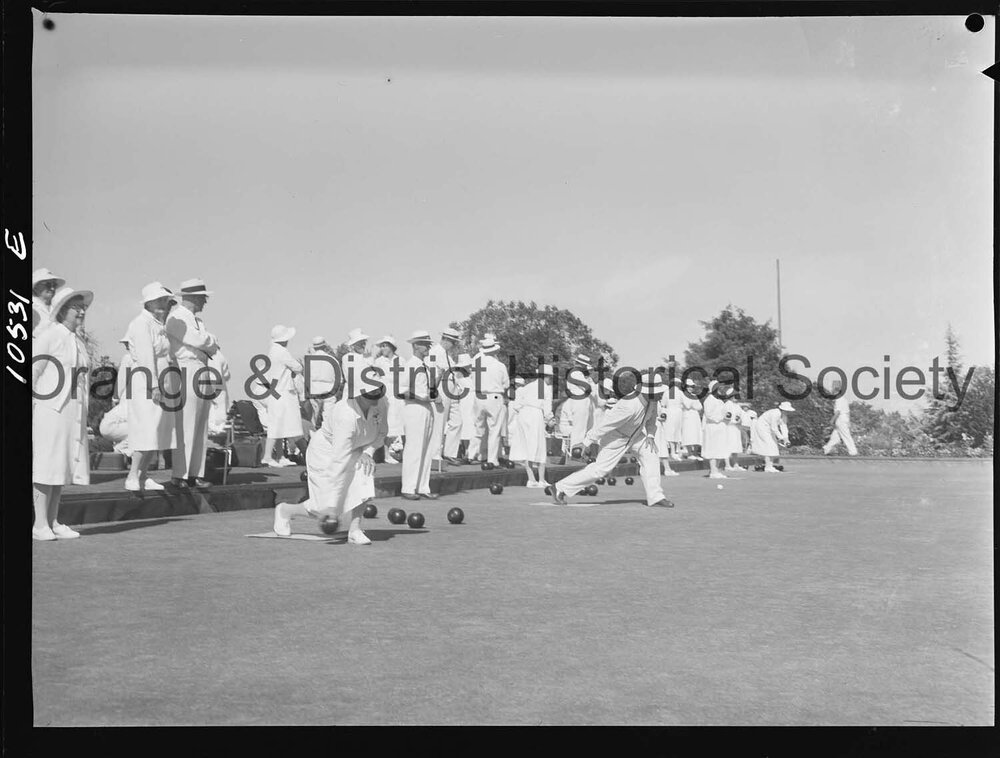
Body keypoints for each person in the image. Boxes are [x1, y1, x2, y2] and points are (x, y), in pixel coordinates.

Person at [272, 379, 388, 545]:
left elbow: (382, 432)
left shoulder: (382, 403)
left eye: (379, 392)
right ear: (358, 395)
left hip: (356, 450)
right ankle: (285, 510)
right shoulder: (345, 415)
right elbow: (339, 461)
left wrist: (367, 452)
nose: (376, 397)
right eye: (371, 394)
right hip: (325, 453)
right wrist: (332, 507)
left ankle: (355, 530)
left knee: (365, 471)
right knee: (323, 508)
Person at [551, 371, 673, 508]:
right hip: (616, 437)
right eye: (658, 391)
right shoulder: (629, 405)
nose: (662, 394)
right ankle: (560, 488)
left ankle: (655, 497)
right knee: (600, 470)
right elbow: (605, 424)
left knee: (651, 455)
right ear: (647, 391)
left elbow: (651, 420)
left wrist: (650, 435)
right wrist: (586, 442)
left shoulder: (653, 401)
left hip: (637, 436)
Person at [32, 286, 94, 540]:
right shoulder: (49, 336)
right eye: (75, 306)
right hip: (50, 409)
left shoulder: (78, 340)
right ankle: (39, 525)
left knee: (62, 465)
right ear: (62, 311)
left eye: (83, 307)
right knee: (46, 465)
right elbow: (33, 372)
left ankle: (54, 521)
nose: (81, 311)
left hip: (73, 410)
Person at [165, 278, 219, 489]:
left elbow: (207, 342)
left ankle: (195, 473)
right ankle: (180, 473)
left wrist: (207, 340)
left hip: (202, 367)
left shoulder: (197, 321)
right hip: (186, 367)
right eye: (202, 298)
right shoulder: (176, 317)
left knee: (200, 423)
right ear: (193, 298)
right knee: (186, 422)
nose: (205, 302)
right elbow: (200, 341)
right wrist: (209, 340)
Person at [124, 283, 177, 492]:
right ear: (148, 303)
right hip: (146, 383)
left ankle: (143, 475)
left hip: (162, 381)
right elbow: (146, 357)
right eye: (159, 300)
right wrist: (153, 385)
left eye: (165, 301)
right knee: (145, 430)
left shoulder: (157, 324)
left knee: (156, 430)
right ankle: (132, 474)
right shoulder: (140, 324)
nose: (163, 304)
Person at [400, 330, 441, 500]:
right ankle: (408, 487)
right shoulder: (410, 365)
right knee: (414, 448)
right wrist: (422, 397)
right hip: (414, 408)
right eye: (425, 344)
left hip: (427, 408)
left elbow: (427, 388)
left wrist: (433, 392)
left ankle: (423, 486)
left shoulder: (424, 366)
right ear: (416, 345)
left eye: (429, 344)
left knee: (427, 448)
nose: (428, 347)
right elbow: (401, 391)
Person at [263, 325, 304, 467]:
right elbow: (298, 367)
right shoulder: (282, 352)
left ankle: (280, 456)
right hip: (284, 391)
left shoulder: (272, 351)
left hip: (276, 390)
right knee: (277, 425)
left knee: (280, 424)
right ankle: (268, 456)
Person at [509, 366, 554, 487]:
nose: (551, 379)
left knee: (526, 446)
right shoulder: (546, 388)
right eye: (550, 377)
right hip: (535, 414)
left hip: (523, 414)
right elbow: (547, 408)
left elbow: (516, 405)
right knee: (539, 445)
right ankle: (541, 480)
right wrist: (550, 419)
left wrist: (524, 411)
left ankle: (531, 479)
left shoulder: (527, 387)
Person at [468, 336, 510, 465]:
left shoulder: (476, 363)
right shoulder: (499, 365)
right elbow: (506, 384)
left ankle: (472, 454)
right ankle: (492, 459)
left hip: (479, 395)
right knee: (494, 429)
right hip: (494, 396)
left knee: (478, 427)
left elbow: (472, 378)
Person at [427, 328, 460, 466]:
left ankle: (450, 452)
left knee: (457, 421)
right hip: (442, 386)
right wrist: (435, 392)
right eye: (452, 342)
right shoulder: (434, 352)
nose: (454, 345)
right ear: (446, 340)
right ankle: (435, 453)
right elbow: (431, 372)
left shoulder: (447, 355)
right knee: (440, 421)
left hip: (452, 388)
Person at [98, 335, 134, 456]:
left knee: (112, 426)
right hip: (134, 401)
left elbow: (122, 379)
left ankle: (120, 450)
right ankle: (123, 450)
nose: (126, 346)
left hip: (127, 400)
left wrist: (115, 397)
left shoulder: (128, 357)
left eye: (127, 343)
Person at [372, 335, 404, 462]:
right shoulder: (379, 361)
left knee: (398, 424)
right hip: (384, 395)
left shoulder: (400, 360)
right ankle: (385, 453)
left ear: (391, 347)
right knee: (386, 424)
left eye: (385, 345)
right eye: (382, 346)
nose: (383, 348)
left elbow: (405, 377)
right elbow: (374, 377)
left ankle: (397, 451)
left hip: (398, 396)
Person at [561, 354, 597, 458]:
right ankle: (575, 453)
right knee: (579, 428)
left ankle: (582, 452)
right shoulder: (575, 372)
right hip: (579, 399)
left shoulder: (583, 375)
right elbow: (589, 388)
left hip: (585, 400)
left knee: (585, 428)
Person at [304, 336, 341, 429]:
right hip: (329, 391)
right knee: (329, 418)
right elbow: (339, 379)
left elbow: (306, 378)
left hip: (314, 390)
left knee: (314, 418)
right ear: (325, 346)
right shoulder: (333, 360)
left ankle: (313, 437)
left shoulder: (309, 361)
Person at [442, 352, 472, 464]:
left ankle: (451, 453)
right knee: (446, 424)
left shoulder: (465, 377)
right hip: (456, 400)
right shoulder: (457, 377)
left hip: (460, 401)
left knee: (460, 424)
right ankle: (444, 453)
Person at [752, 401, 795, 472]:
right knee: (770, 445)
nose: (788, 412)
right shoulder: (775, 413)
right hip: (762, 427)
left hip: (769, 429)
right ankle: (768, 467)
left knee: (773, 446)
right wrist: (781, 438)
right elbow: (774, 427)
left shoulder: (784, 416)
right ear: (783, 409)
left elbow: (784, 426)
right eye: (787, 410)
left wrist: (786, 438)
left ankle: (769, 466)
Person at [701, 381, 730, 479]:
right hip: (712, 427)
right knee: (713, 449)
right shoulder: (709, 400)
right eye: (718, 388)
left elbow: (724, 413)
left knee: (719, 449)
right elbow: (709, 415)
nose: (721, 389)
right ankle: (713, 471)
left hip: (720, 428)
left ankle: (715, 470)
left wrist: (726, 417)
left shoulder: (720, 401)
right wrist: (721, 417)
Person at [822, 381, 858, 456]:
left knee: (845, 436)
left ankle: (853, 452)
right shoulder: (844, 399)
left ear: (835, 390)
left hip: (840, 419)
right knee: (835, 437)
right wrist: (848, 422)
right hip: (844, 419)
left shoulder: (838, 399)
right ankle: (827, 449)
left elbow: (838, 412)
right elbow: (848, 412)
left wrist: (832, 420)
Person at [31, 267, 66, 340]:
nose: (52, 288)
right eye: (48, 285)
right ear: (36, 287)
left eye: (54, 285)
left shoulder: (58, 309)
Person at [454, 353, 477, 461]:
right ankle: (465, 449)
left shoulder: (473, 376)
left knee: (472, 425)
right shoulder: (458, 377)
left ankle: (471, 451)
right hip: (464, 401)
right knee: (466, 425)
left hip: (473, 401)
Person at [722, 386, 747, 472]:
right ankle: (727, 465)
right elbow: (725, 418)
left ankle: (736, 464)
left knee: (736, 447)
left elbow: (740, 416)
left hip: (736, 428)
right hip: (728, 428)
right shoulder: (726, 405)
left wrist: (739, 421)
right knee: (728, 446)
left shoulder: (737, 406)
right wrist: (732, 421)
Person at [680, 378, 703, 460]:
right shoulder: (682, 395)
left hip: (695, 417)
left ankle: (696, 453)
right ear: (685, 387)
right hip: (687, 417)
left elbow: (699, 407)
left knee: (697, 434)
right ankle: (690, 453)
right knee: (688, 434)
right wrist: (693, 404)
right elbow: (687, 405)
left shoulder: (694, 396)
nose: (691, 388)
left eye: (692, 387)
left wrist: (692, 404)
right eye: (689, 386)